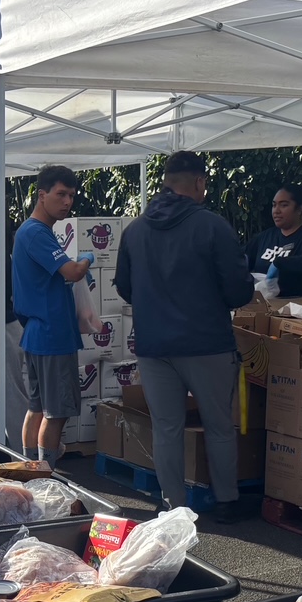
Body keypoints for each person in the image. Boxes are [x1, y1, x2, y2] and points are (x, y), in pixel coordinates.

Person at [117, 151, 256, 523]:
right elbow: (239, 291)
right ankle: (227, 501)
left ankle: (173, 506)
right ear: (199, 182)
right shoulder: (213, 226)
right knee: (218, 426)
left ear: (165, 182)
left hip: (154, 345)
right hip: (207, 342)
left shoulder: (135, 230)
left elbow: (125, 289)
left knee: (167, 428)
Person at [11, 165, 94, 466]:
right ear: (42, 195)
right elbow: (71, 271)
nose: (68, 202)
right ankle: (45, 475)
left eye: (72, 195)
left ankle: (32, 470)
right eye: (61, 194)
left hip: (37, 332)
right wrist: (85, 260)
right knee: (55, 412)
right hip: (52, 334)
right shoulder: (36, 233)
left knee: (37, 407)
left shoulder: (31, 232)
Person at [245, 184, 302, 297]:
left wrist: (280, 263)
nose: (276, 211)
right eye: (274, 205)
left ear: (299, 209)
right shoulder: (265, 237)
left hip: (297, 307)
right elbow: (242, 258)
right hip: (262, 307)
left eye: (283, 205)